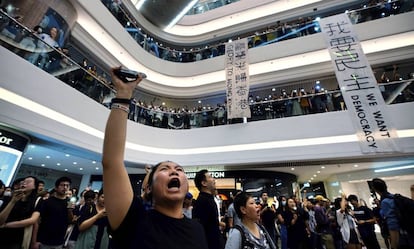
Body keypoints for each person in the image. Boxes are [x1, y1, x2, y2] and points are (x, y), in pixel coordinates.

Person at [101, 67, 208, 249]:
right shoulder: (134, 219)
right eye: (165, 169)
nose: (174, 171)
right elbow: (112, 162)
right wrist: (123, 95)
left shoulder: (197, 228)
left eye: (179, 170)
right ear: (148, 187)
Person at [32, 176, 74, 249]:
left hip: (59, 241)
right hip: (43, 240)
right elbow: (37, 221)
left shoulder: (69, 203)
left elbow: (70, 221)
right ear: (56, 187)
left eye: (67, 185)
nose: (65, 187)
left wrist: (70, 211)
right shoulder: (46, 202)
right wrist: (35, 241)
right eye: (62, 185)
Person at [371, 178, 414, 249]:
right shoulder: (392, 196)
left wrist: (393, 245)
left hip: (403, 238)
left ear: (374, 189)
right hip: (409, 233)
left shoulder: (385, 201)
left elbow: (393, 226)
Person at [0, 176, 40, 249]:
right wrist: (13, 201)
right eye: (24, 182)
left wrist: (6, 225)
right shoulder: (9, 198)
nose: (24, 183)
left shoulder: (36, 202)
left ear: (34, 186)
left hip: (17, 239)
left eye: (28, 182)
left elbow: (33, 220)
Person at [193, 169, 223, 249]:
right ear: (204, 183)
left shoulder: (209, 199)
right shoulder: (203, 201)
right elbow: (200, 227)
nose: (214, 180)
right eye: (210, 177)